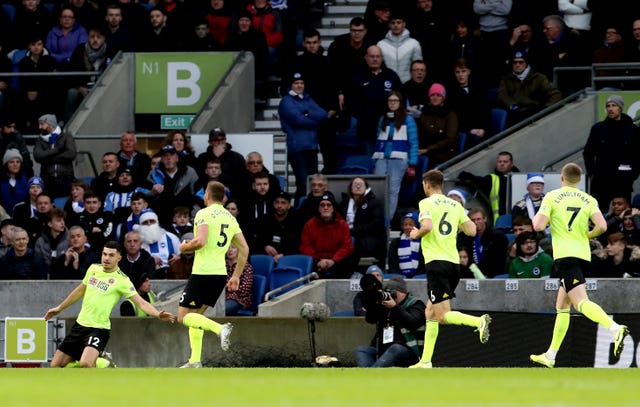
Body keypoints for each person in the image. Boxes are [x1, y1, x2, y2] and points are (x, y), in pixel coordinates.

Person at [529, 163, 629, 368]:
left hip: (565, 255)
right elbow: (602, 226)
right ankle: (551, 355)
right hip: (581, 254)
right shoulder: (588, 199)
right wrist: (587, 235)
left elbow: (538, 226)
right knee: (562, 306)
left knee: (580, 303)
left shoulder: (552, 197)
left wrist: (541, 220)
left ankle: (614, 328)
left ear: (562, 179)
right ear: (579, 180)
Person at [44, 241, 174, 368]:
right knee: (55, 365)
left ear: (119, 258)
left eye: (111, 255)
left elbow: (141, 303)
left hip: (99, 329)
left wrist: (157, 314)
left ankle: (103, 363)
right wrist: (60, 308)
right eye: (104, 254)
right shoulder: (93, 269)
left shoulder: (122, 280)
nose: (106, 258)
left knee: (86, 364)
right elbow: (79, 290)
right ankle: (101, 360)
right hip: (80, 325)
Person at [409, 169, 491, 368]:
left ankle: (478, 322)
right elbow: (472, 230)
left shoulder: (426, 203)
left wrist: (415, 234)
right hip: (454, 263)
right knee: (430, 312)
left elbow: (427, 226)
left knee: (443, 316)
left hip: (436, 263)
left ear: (427, 184)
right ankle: (426, 361)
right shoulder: (455, 205)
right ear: (442, 185)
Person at [177, 181, 250, 368]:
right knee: (196, 317)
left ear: (207, 196)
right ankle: (195, 361)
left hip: (203, 273)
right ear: (223, 198)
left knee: (183, 316)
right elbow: (245, 249)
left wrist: (185, 247)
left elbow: (200, 241)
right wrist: (236, 276)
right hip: (220, 275)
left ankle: (220, 329)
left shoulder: (203, 213)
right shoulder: (230, 218)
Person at [583, 94, 640, 211]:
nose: (610, 108)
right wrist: (591, 173)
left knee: (622, 214)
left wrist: (633, 174)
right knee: (598, 214)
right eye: (608, 106)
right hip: (601, 182)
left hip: (623, 182)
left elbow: (638, 155)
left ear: (620, 108)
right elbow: (588, 152)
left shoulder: (633, 130)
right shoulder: (598, 129)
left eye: (614, 105)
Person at [354, 276, 426, 367]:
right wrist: (374, 302)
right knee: (361, 350)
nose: (390, 295)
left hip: (408, 349)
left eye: (392, 292)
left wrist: (394, 307)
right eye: (387, 291)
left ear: (403, 293)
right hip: (383, 349)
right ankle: (373, 374)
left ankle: (371, 375)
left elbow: (412, 322)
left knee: (395, 348)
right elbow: (370, 319)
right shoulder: (384, 305)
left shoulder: (416, 304)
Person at [278, 72, 328, 201]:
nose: (299, 86)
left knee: (313, 184)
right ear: (291, 85)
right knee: (302, 183)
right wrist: (313, 121)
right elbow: (297, 120)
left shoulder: (307, 98)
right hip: (297, 149)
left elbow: (323, 114)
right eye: (296, 83)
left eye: (301, 83)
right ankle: (299, 211)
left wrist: (307, 113)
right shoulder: (286, 101)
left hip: (311, 147)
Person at [346, 45, 403, 156]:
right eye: (372, 56)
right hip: (367, 130)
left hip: (389, 128)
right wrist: (363, 115)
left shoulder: (391, 75)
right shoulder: (358, 76)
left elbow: (401, 98)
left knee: (387, 160)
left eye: (377, 56)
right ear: (366, 58)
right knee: (370, 161)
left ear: (382, 58)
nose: (375, 59)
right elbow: (351, 101)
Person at [372, 91, 419, 219]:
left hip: (399, 159)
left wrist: (412, 164)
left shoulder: (408, 120)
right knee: (378, 190)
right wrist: (374, 161)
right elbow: (378, 140)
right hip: (382, 158)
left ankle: (388, 220)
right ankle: (377, 218)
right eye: (390, 101)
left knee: (392, 191)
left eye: (395, 101)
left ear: (400, 103)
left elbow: (413, 143)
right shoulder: (383, 119)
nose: (392, 103)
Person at [497, 51, 562, 127]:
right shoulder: (506, 79)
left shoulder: (538, 78)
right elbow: (502, 95)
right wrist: (512, 105)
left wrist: (546, 108)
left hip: (534, 112)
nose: (517, 65)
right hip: (515, 113)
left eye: (521, 62)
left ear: (526, 63)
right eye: (515, 62)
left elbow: (555, 94)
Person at [299, 192, 355, 279]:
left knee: (351, 257)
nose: (325, 208)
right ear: (318, 209)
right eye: (322, 205)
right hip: (316, 261)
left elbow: (346, 246)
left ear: (333, 208)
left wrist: (333, 260)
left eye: (329, 205)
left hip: (336, 261)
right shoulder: (309, 225)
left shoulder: (342, 225)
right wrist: (317, 261)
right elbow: (305, 246)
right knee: (306, 261)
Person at [459, 151, 520, 224]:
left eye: (505, 161)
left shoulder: (520, 179)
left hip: (520, 221)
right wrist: (467, 175)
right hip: (501, 222)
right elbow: (478, 181)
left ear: (511, 164)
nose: (502, 164)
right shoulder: (492, 179)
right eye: (499, 161)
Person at [339, 176, 387, 266]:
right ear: (350, 188)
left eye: (360, 184)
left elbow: (377, 224)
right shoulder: (344, 204)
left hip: (367, 239)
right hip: (346, 237)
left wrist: (352, 231)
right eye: (355, 185)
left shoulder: (374, 203)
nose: (357, 187)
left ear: (366, 187)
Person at [147, 145, 198, 226]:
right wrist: (153, 192)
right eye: (165, 155)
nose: (168, 158)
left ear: (177, 158)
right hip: (162, 221)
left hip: (185, 220)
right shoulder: (153, 174)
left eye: (171, 155)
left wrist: (193, 217)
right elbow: (145, 196)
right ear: (161, 159)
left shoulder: (189, 172)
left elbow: (197, 195)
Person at [33, 114, 77, 199]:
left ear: (50, 124)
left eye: (42, 124)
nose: (39, 127)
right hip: (47, 179)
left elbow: (71, 154)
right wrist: (56, 150)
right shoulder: (40, 140)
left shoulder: (66, 137)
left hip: (66, 178)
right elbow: (38, 156)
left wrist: (48, 159)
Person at [457, 207, 509, 279]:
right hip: (469, 275)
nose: (476, 222)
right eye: (473, 220)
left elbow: (499, 261)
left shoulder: (498, 237)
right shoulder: (463, 237)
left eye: (478, 219)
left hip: (492, 275)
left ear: (485, 219)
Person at [417, 83, 459, 168]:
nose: (435, 98)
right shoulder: (425, 113)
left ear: (443, 98)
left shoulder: (450, 114)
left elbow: (450, 138)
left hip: (444, 152)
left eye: (438, 95)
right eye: (432, 95)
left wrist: (429, 149)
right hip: (427, 150)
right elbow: (419, 133)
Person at [256, 190, 303, 262]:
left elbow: (297, 244)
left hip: (287, 257)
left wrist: (284, 255)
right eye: (277, 202)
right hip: (266, 256)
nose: (279, 206)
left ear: (289, 205)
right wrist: (265, 246)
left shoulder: (296, 221)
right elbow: (258, 239)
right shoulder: (265, 219)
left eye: (283, 203)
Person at [376, 14, 423, 83]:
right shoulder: (381, 44)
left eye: (398, 22)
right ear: (389, 25)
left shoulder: (414, 43)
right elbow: (377, 67)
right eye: (393, 23)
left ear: (404, 24)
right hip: (387, 84)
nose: (395, 25)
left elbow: (419, 67)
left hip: (408, 84)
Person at [135, 209, 180, 277]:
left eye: (152, 221)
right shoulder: (137, 241)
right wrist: (151, 262)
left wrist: (178, 258)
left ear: (157, 222)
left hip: (171, 274)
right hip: (147, 276)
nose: (149, 224)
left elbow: (183, 256)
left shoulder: (171, 237)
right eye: (145, 222)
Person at [387, 212, 424, 278]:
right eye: (405, 225)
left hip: (418, 275)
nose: (407, 227)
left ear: (416, 226)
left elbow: (424, 264)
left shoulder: (423, 242)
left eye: (411, 225)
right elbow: (392, 264)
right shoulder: (395, 243)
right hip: (399, 277)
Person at [225, 243, 254, 316]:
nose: (230, 250)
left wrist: (227, 290)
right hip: (221, 298)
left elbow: (244, 290)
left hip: (239, 300)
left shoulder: (246, 267)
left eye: (233, 248)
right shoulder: (222, 266)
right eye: (228, 248)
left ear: (239, 250)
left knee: (223, 309)